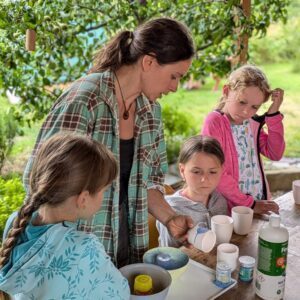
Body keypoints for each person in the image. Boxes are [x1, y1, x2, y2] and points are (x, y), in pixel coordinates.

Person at [23, 17, 195, 267]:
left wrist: (170, 218)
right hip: (73, 255)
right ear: (148, 62)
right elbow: (40, 186)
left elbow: (147, 183)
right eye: (174, 76)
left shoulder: (151, 113)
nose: (175, 87)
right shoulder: (84, 101)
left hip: (126, 241)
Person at [0, 134, 130, 299]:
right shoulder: (84, 248)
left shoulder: (15, 221)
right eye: (104, 190)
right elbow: (120, 294)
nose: (105, 196)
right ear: (83, 199)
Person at [201, 65, 285, 215]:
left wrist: (273, 117)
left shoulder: (251, 123)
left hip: (257, 202)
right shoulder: (214, 122)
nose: (247, 111)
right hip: (228, 209)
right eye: (242, 102)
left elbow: (275, 153)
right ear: (226, 92)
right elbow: (215, 172)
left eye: (255, 107)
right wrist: (249, 204)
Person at [157, 135, 228, 247]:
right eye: (196, 172)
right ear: (182, 170)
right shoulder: (171, 212)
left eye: (213, 172)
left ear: (222, 170)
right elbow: (168, 256)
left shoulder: (220, 201)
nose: (205, 179)